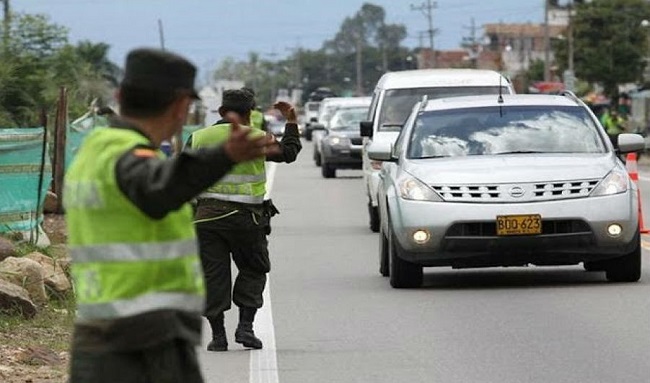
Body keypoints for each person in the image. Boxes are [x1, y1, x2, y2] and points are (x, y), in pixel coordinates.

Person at [64, 48, 279, 383]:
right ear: (181, 106)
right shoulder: (128, 156)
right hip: (142, 343)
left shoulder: (95, 150)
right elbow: (157, 189)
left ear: (120, 96)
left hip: (103, 335)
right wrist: (223, 155)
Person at [186, 89, 301, 351]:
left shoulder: (198, 138)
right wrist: (291, 121)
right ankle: (245, 328)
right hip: (246, 220)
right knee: (253, 268)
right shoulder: (256, 137)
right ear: (251, 113)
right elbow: (289, 152)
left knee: (213, 276)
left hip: (206, 220)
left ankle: (218, 337)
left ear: (220, 112)